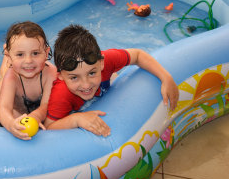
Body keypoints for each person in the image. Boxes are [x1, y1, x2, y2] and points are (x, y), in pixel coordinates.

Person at [44, 25, 179, 136]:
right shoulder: (61, 93)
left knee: (114, 77)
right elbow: (49, 127)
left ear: (101, 63)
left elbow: (137, 55)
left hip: (105, 88)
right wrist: (76, 119)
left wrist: (166, 77)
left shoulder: (107, 60)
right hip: (75, 108)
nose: (85, 85)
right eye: (74, 77)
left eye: (92, 73)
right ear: (61, 76)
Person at [0, 21, 57, 140]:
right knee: (0, 84)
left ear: (46, 53)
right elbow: (3, 107)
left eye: (35, 53)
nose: (28, 60)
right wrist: (10, 124)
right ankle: (6, 59)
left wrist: (35, 116)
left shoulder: (50, 73)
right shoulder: (12, 76)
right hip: (18, 105)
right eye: (20, 54)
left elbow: (46, 105)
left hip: (34, 107)